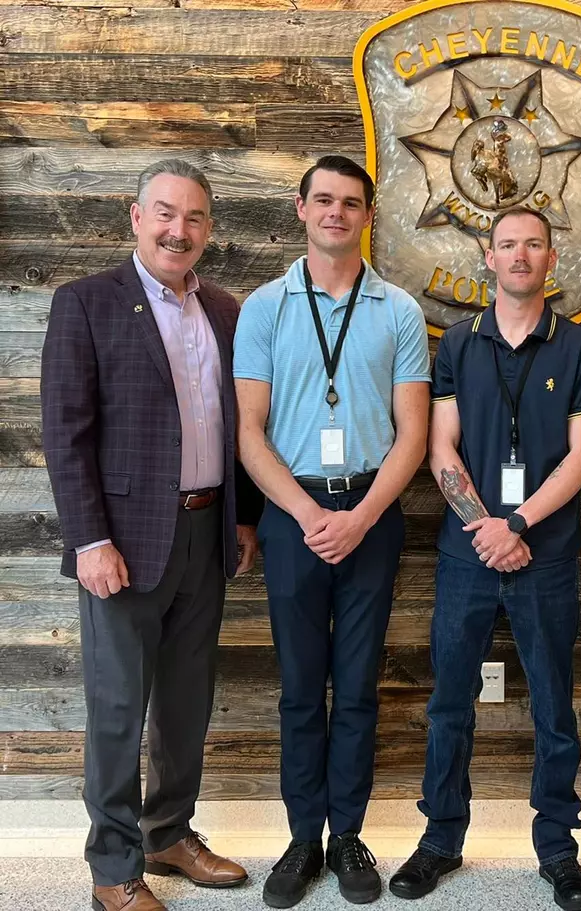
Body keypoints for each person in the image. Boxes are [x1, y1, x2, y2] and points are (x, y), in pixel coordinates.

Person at [41, 158, 263, 911]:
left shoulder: (227, 312)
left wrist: (240, 517)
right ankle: (113, 866)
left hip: (205, 531)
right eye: (165, 212)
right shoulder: (87, 304)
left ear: (209, 229)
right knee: (116, 705)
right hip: (125, 542)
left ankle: (169, 832)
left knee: (184, 700)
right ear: (134, 216)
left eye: (195, 217)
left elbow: (237, 430)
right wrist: (89, 539)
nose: (180, 228)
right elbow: (66, 434)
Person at [389, 207, 581, 911]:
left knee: (552, 704)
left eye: (533, 244)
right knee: (450, 701)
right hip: (466, 552)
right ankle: (441, 840)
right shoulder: (456, 342)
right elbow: (439, 445)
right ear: (488, 256)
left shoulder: (579, 348)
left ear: (550, 257)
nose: (519, 255)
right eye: (507, 244)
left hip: (545, 555)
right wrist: (485, 526)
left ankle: (559, 850)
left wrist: (518, 522)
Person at [234, 155, 430, 909]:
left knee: (355, 688)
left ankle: (347, 832)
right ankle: (301, 836)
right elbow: (251, 434)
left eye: (351, 203)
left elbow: (411, 437)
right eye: (324, 200)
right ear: (300, 208)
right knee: (296, 689)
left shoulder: (400, 311)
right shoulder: (264, 307)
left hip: (372, 516)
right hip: (294, 518)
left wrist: (360, 515)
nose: (336, 213)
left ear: (368, 215)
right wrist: (309, 513)